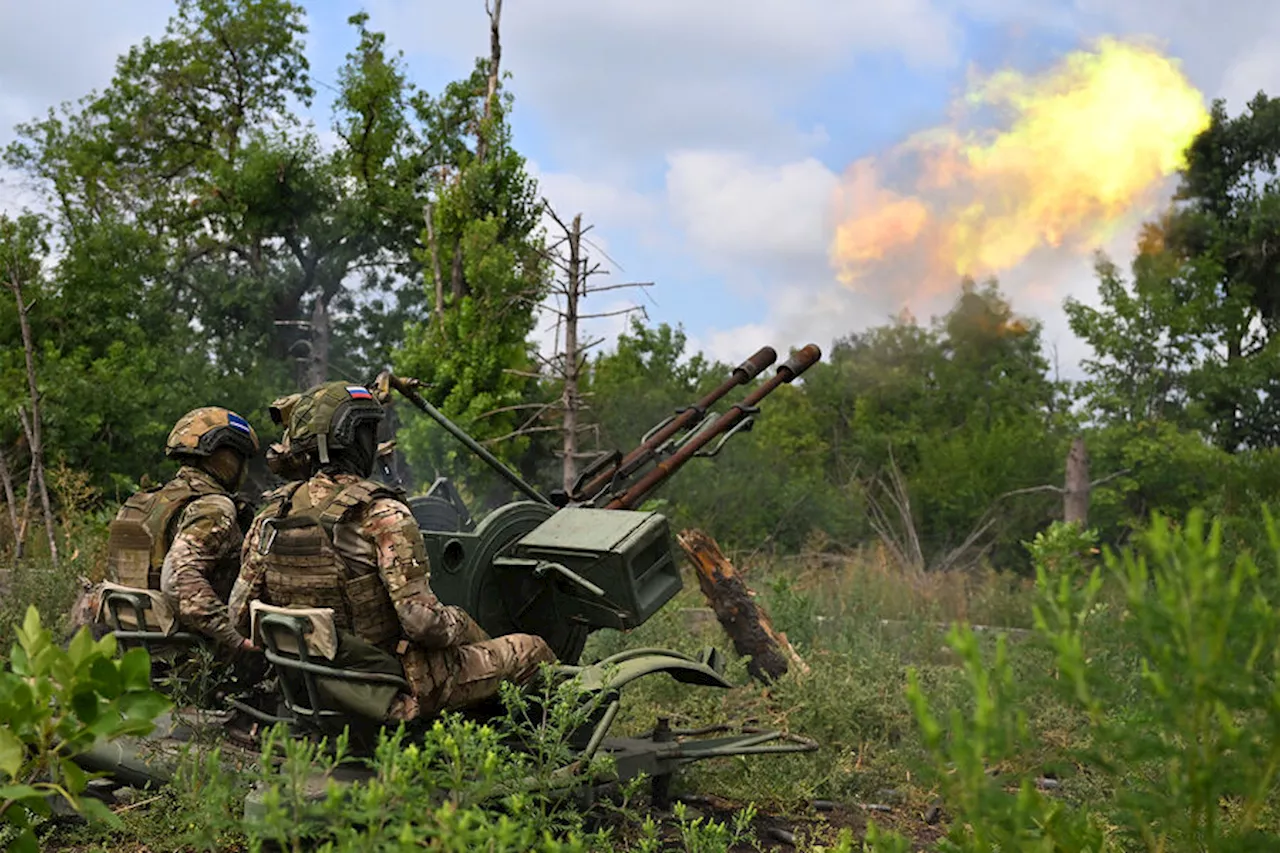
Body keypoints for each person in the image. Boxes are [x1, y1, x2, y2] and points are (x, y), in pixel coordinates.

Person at [228, 380, 556, 721]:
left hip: (309, 684)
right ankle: (536, 749)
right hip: (392, 688)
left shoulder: (270, 516)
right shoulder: (380, 513)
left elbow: (238, 615)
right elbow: (422, 625)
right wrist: (456, 620)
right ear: (349, 438)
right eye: (367, 432)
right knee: (530, 649)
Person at [104, 406, 261, 660]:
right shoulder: (213, 506)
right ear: (226, 458)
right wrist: (236, 637)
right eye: (241, 458)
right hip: (186, 652)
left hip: (129, 646)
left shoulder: (144, 502)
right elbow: (178, 580)